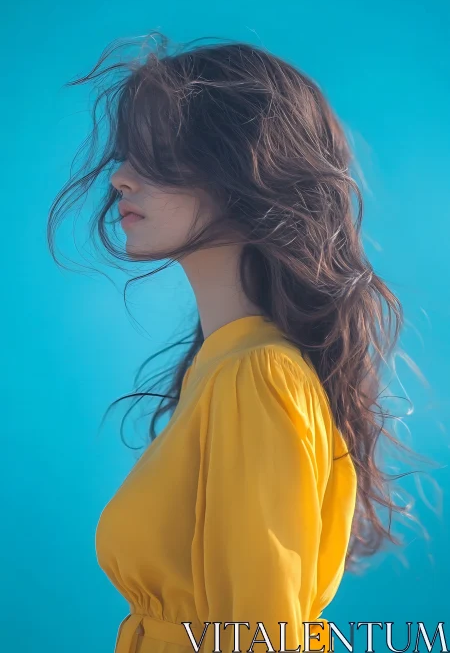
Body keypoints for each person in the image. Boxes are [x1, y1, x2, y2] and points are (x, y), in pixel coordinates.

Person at [47, 32, 415, 653]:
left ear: (246, 169)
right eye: (127, 153)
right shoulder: (224, 368)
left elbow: (260, 639)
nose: (120, 178)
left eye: (158, 153)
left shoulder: (256, 376)